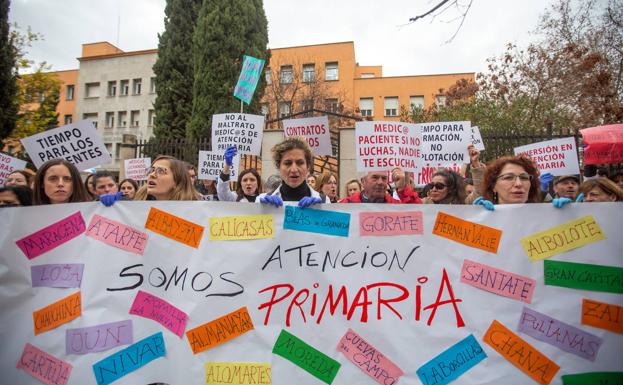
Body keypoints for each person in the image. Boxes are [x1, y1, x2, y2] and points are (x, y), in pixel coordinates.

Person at [258, 137, 329, 207]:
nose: (294, 170)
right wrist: (263, 211)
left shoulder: (325, 202)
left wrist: (320, 212)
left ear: (308, 167)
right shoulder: (261, 202)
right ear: (278, 167)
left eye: (300, 163)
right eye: (288, 163)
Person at [474, 154, 540, 210]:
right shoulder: (482, 219)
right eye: (508, 177)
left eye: (524, 177)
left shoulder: (543, 216)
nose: (518, 184)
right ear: (493, 186)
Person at [132, 155, 199, 201]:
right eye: (151, 170)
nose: (151, 175)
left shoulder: (196, 213)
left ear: (177, 181)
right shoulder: (138, 211)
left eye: (161, 171)